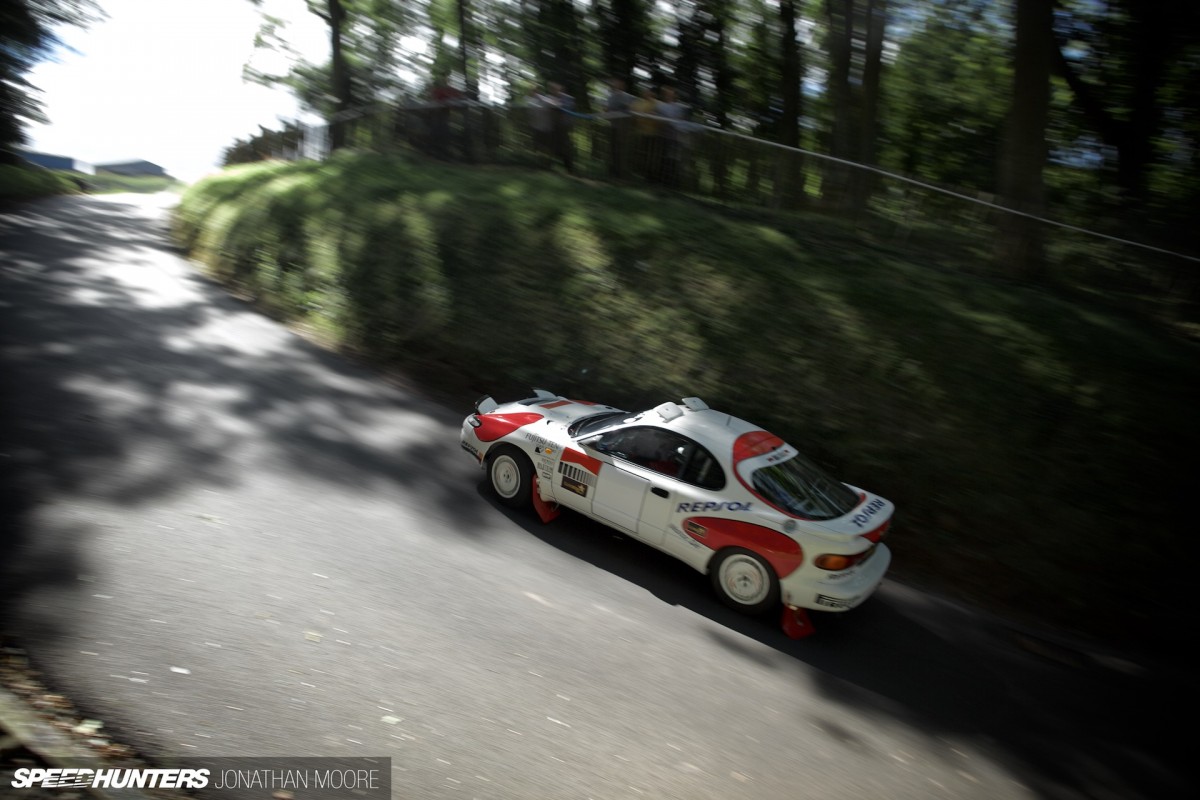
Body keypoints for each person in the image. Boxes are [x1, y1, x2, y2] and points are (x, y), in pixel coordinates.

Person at [603, 77, 636, 178]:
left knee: (621, 150)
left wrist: (625, 106)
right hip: (613, 125)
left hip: (623, 128)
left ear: (623, 84)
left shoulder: (629, 97)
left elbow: (632, 109)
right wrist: (606, 110)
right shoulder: (610, 96)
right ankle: (612, 171)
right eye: (615, 83)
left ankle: (621, 173)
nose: (615, 84)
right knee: (612, 149)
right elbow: (606, 109)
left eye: (617, 82)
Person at [630, 86, 660, 181]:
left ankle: (651, 176)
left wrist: (654, 114)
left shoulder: (657, 104)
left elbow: (660, 116)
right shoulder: (638, 103)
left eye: (648, 92)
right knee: (642, 154)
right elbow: (632, 112)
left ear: (652, 93)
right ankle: (641, 173)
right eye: (644, 92)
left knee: (652, 156)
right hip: (641, 132)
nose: (646, 93)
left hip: (654, 134)